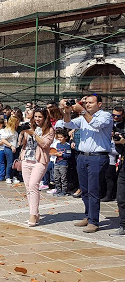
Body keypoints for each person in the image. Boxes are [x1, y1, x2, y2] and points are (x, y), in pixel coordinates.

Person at [62, 95, 112, 233]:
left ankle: (94, 221)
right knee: (84, 190)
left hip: (97, 157)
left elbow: (96, 124)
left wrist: (83, 111)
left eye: (90, 103)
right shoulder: (83, 118)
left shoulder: (105, 116)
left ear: (99, 104)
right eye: (86, 103)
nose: (87, 105)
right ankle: (88, 216)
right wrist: (66, 111)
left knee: (93, 190)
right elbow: (68, 124)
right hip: (82, 156)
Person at [18, 107, 54, 227]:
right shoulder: (30, 127)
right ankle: (35, 213)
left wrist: (34, 134)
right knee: (28, 188)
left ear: (45, 118)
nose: (37, 119)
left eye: (40, 117)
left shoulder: (49, 130)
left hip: (40, 161)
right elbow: (21, 144)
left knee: (33, 185)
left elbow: (45, 144)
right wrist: (22, 133)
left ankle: (33, 215)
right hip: (26, 159)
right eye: (35, 116)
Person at [52, 129, 72, 197]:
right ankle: (58, 190)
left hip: (63, 164)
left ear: (65, 137)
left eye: (61, 137)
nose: (59, 139)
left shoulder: (67, 145)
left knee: (63, 178)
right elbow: (53, 152)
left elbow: (69, 155)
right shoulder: (57, 144)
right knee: (56, 177)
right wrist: (55, 154)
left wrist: (62, 155)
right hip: (57, 163)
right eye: (58, 137)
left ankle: (64, 191)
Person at [1, 116, 20, 184]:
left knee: (15, 163)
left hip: (15, 147)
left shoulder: (14, 131)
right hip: (9, 148)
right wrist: (11, 146)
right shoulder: (7, 130)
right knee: (10, 163)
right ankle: (8, 177)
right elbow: (3, 139)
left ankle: (13, 176)